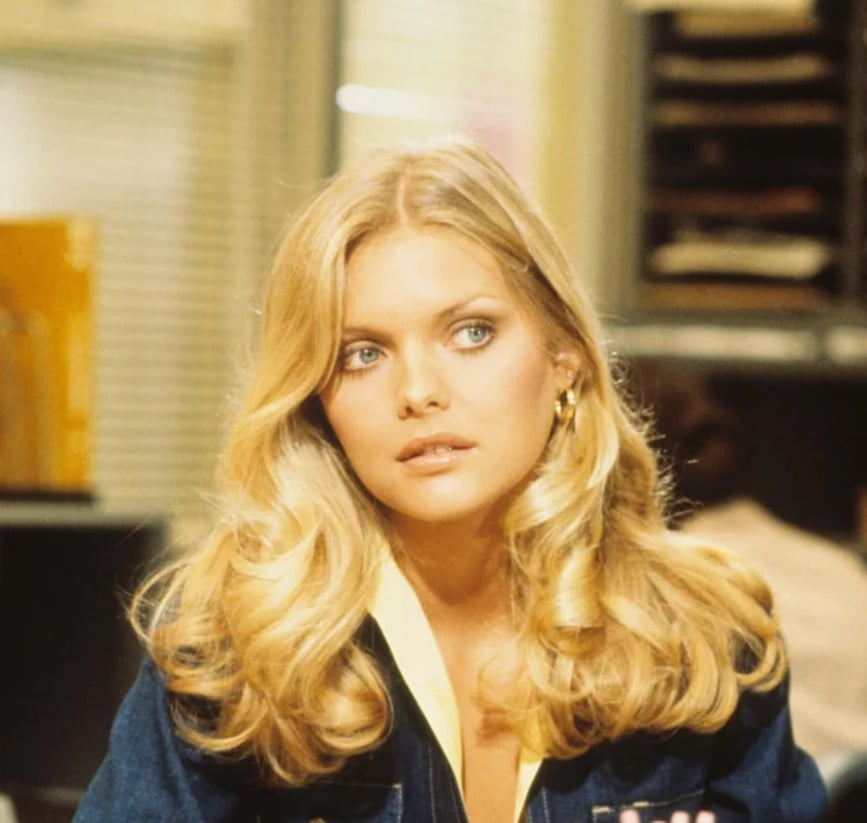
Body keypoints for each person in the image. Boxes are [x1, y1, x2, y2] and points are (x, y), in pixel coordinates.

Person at [74, 136, 826, 823]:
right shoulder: (232, 644)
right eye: (362, 353)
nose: (419, 390)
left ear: (561, 354)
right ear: (316, 399)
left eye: (471, 332)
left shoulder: (709, 637)